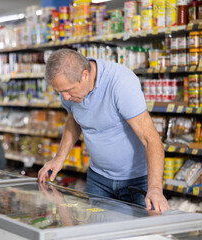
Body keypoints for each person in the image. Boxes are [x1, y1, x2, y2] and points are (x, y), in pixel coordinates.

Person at [38, 49, 170, 212]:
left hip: (135, 181)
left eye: (69, 90)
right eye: (60, 92)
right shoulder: (70, 89)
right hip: (98, 179)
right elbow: (75, 118)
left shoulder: (121, 83)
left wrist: (155, 188)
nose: (65, 97)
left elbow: (151, 140)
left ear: (85, 75)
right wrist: (59, 158)